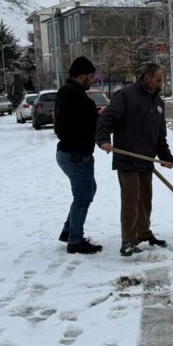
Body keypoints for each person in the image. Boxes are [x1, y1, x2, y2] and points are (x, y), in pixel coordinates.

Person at [95, 62, 173, 257]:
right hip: (127, 157)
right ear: (146, 78)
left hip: (146, 159)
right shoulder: (126, 96)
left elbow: (160, 135)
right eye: (158, 79)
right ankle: (128, 240)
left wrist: (165, 156)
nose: (161, 83)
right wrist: (104, 139)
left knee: (145, 200)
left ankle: (144, 233)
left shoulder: (158, 103)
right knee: (131, 199)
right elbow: (107, 119)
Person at [54, 56, 104, 255]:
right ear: (81, 75)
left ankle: (69, 231)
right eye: (90, 76)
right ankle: (75, 240)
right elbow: (82, 122)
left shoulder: (69, 93)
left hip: (69, 152)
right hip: (76, 153)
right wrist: (98, 117)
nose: (92, 80)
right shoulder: (73, 94)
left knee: (88, 189)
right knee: (83, 197)